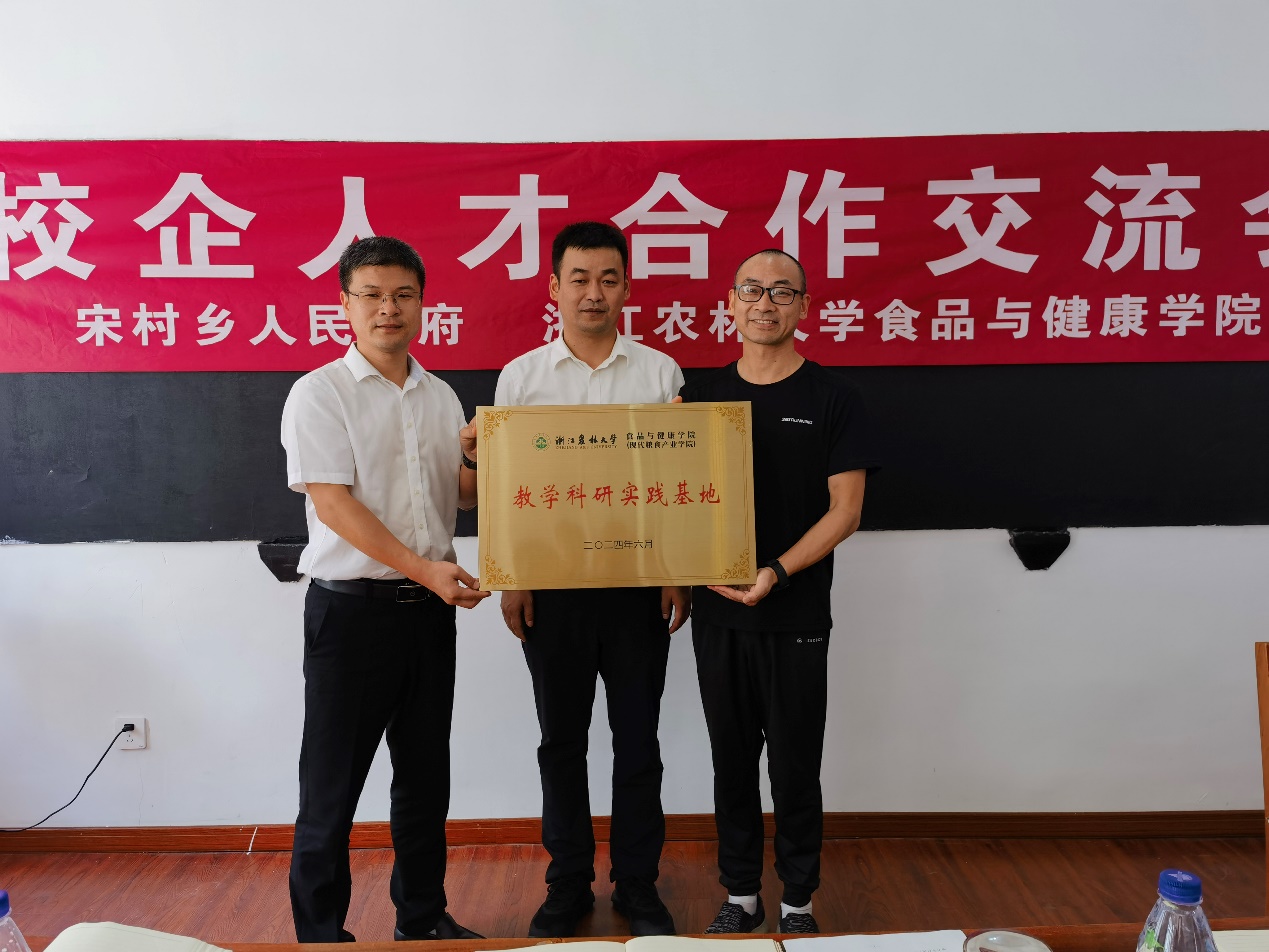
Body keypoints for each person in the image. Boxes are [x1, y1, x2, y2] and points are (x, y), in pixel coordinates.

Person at [479, 221, 689, 937]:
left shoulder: (660, 373)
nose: (593, 292)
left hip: (639, 586)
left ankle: (637, 882)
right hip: (552, 588)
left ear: (626, 288)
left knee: (638, 742)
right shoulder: (521, 378)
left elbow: (678, 484)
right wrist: (512, 578)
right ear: (554, 288)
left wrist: (678, 572)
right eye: (579, 279)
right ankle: (566, 881)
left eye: (607, 279)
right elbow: (505, 488)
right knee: (561, 743)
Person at [281, 235, 490, 943]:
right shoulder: (319, 393)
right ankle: (320, 934)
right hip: (351, 617)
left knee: (424, 781)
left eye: (403, 295)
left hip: (428, 617)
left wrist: (472, 461)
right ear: (344, 304)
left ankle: (422, 918)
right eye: (370, 295)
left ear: (422, 304)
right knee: (330, 788)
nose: (387, 309)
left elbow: (459, 498)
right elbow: (333, 504)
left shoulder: (440, 395)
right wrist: (425, 569)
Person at [680, 249, 880, 935]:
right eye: (751, 290)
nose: (764, 303)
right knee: (730, 762)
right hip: (717, 613)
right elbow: (672, 502)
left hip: (794, 611)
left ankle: (798, 901)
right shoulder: (697, 398)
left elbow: (845, 511)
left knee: (796, 764)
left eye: (781, 292)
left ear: (803, 307)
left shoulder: (833, 399)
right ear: (729, 304)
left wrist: (777, 571)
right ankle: (740, 895)